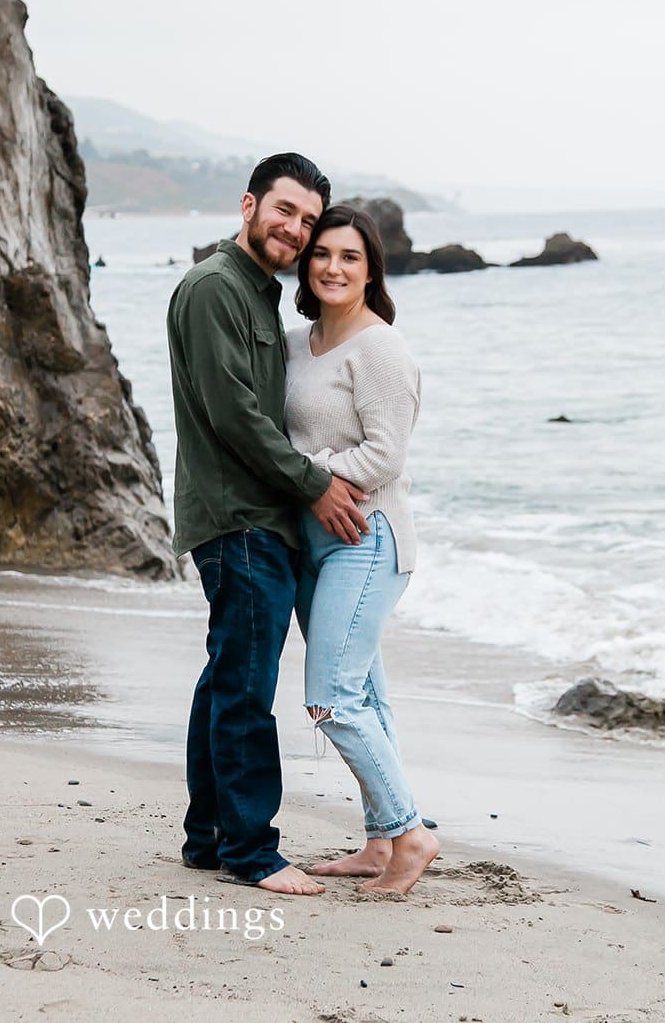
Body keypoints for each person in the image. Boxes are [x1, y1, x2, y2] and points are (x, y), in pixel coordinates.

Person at [166, 153, 371, 896]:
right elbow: (236, 419)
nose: (296, 229)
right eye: (285, 211)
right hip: (241, 518)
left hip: (247, 516)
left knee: (227, 674)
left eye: (309, 221)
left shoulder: (258, 296)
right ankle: (253, 850)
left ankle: (209, 834)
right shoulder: (216, 288)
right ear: (249, 205)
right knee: (247, 685)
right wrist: (315, 484)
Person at [284, 205, 438, 894]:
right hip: (312, 541)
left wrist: (311, 476)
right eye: (322, 254)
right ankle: (379, 842)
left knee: (330, 698)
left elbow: (387, 452)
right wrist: (301, 481)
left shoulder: (380, 348)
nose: (333, 267)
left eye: (349, 256)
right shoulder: (297, 344)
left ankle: (410, 833)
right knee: (365, 697)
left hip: (367, 538)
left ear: (371, 268)